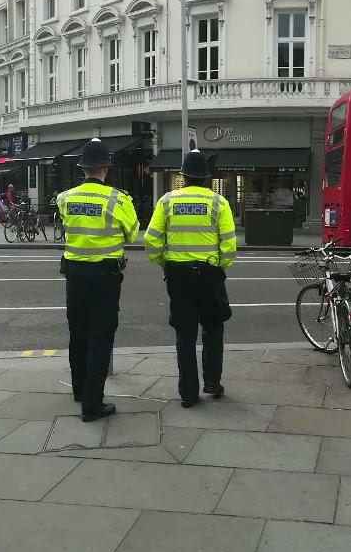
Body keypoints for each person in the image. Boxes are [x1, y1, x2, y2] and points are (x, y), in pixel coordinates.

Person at [144, 149, 237, 408]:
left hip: (178, 274)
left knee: (185, 334)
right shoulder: (219, 203)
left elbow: (151, 240)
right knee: (213, 328)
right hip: (209, 275)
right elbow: (229, 245)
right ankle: (212, 382)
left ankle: (188, 394)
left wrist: (165, 263)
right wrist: (219, 266)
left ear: (182, 176)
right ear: (207, 178)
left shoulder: (167, 201)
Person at [57, 138, 140, 422]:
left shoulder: (65, 198)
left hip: (75, 275)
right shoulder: (119, 199)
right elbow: (131, 234)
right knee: (100, 337)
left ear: (83, 169)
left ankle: (80, 390)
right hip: (106, 276)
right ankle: (93, 404)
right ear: (106, 168)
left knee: (78, 334)